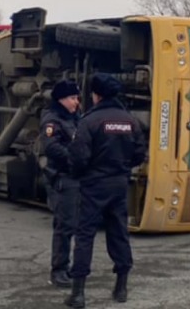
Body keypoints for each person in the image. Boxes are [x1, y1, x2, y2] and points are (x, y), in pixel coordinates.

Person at [66, 73, 148, 308]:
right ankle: (121, 288)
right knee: (119, 233)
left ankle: (78, 293)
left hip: (93, 185)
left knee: (84, 236)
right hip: (119, 184)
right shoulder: (130, 121)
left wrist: (79, 174)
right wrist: (121, 168)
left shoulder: (89, 121)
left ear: (97, 95)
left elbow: (78, 156)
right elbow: (139, 154)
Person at [40, 80, 82, 288]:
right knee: (64, 225)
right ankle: (58, 270)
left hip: (74, 177)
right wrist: (75, 157)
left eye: (77, 98)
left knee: (73, 224)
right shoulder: (52, 120)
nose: (77, 102)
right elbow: (51, 147)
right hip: (62, 177)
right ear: (61, 99)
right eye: (72, 98)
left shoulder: (74, 118)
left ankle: (68, 267)